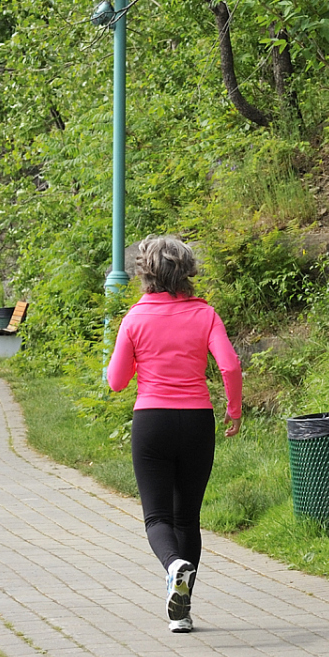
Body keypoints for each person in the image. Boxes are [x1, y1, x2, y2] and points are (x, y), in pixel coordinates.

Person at [106, 235, 242, 633]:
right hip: (198, 420)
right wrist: (233, 410)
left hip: (153, 421)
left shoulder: (133, 319)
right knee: (188, 519)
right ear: (187, 273)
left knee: (157, 517)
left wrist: (135, 363)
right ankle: (182, 611)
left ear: (145, 274)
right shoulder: (205, 314)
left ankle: (172, 567)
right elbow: (230, 366)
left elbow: (116, 382)